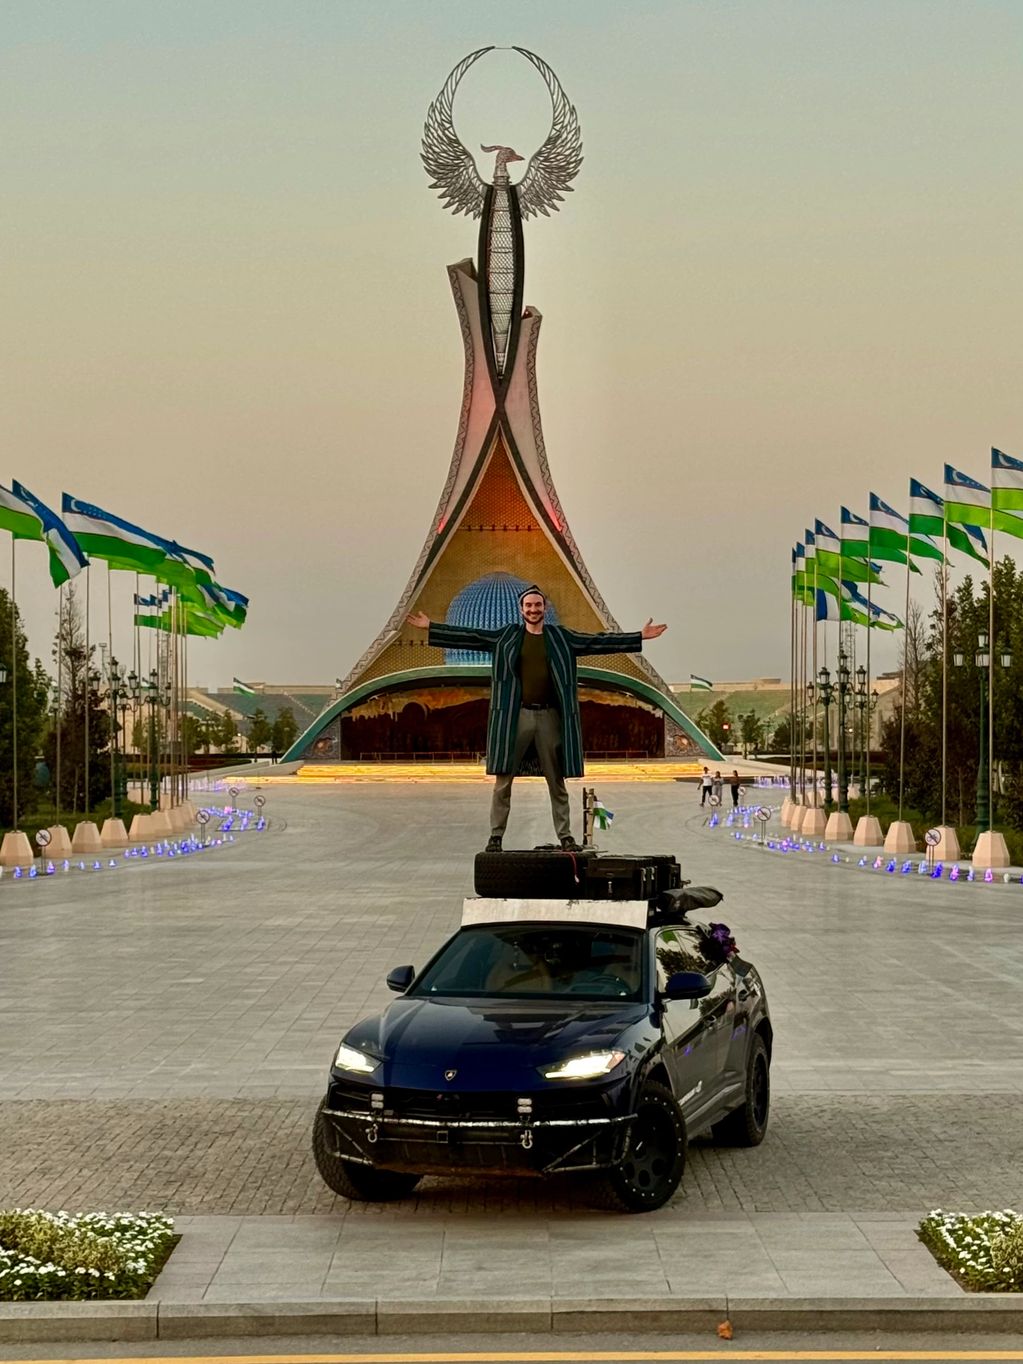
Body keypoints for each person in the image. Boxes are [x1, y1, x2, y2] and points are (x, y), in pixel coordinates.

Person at [406, 587, 666, 851]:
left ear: (544, 608)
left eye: (537, 605)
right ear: (521, 609)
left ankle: (565, 836)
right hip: (515, 717)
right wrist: (432, 627)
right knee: (503, 780)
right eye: (528, 606)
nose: (533, 610)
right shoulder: (507, 637)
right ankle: (496, 836)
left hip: (549, 717)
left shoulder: (560, 638)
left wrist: (639, 637)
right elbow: (471, 636)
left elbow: (597, 642)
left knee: (556, 780)